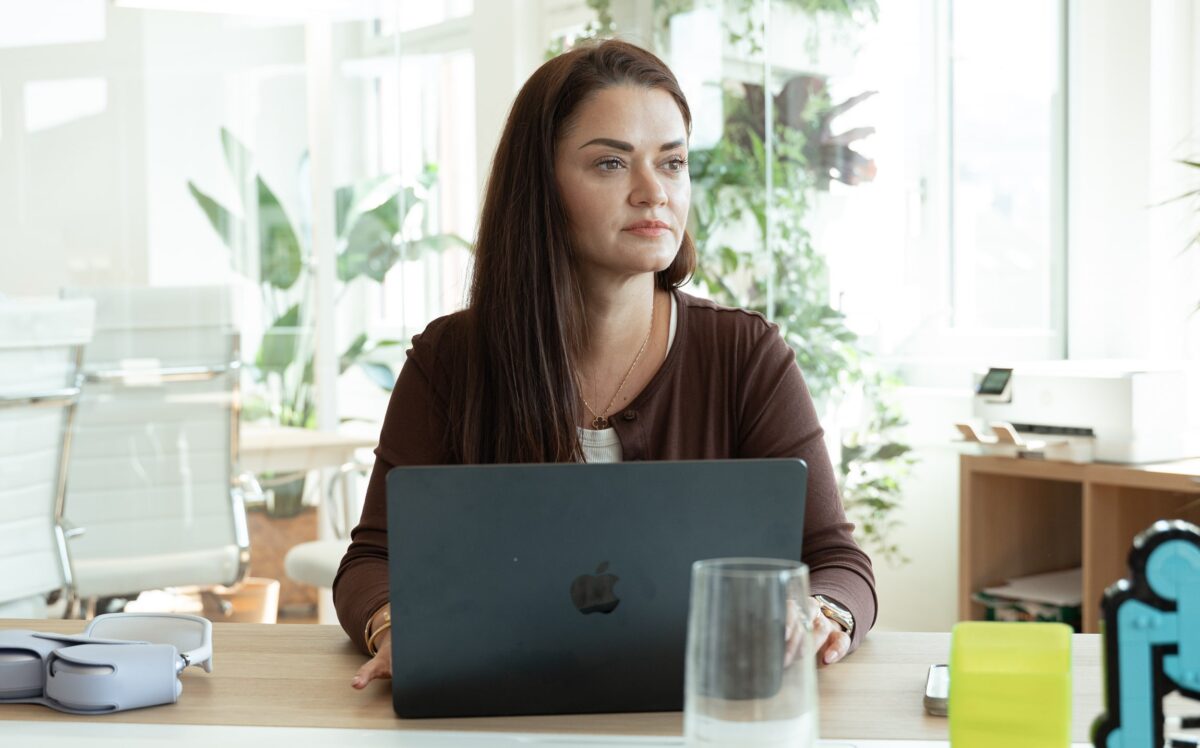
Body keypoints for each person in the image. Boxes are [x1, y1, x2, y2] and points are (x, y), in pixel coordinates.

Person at [334, 38, 877, 691]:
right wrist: (398, 626)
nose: (653, 192)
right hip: (499, 705)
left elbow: (837, 561)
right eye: (612, 163)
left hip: (706, 712)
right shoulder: (449, 362)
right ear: (540, 188)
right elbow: (373, 561)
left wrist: (818, 612)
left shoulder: (746, 355)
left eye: (672, 163)